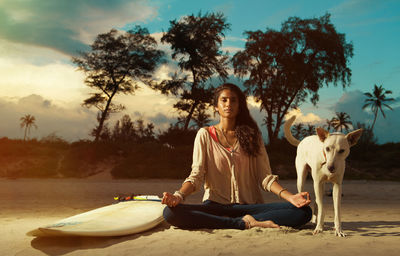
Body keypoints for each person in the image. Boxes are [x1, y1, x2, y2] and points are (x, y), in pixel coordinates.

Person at [162, 83, 312, 230]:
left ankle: (231, 221)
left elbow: (265, 177)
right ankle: (242, 223)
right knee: (170, 213)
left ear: (239, 105)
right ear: (216, 106)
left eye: (233, 100)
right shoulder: (205, 135)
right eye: (224, 100)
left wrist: (291, 197)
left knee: (303, 212)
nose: (229, 104)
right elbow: (196, 176)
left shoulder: (253, 136)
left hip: (250, 207)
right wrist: (178, 196)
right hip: (215, 206)